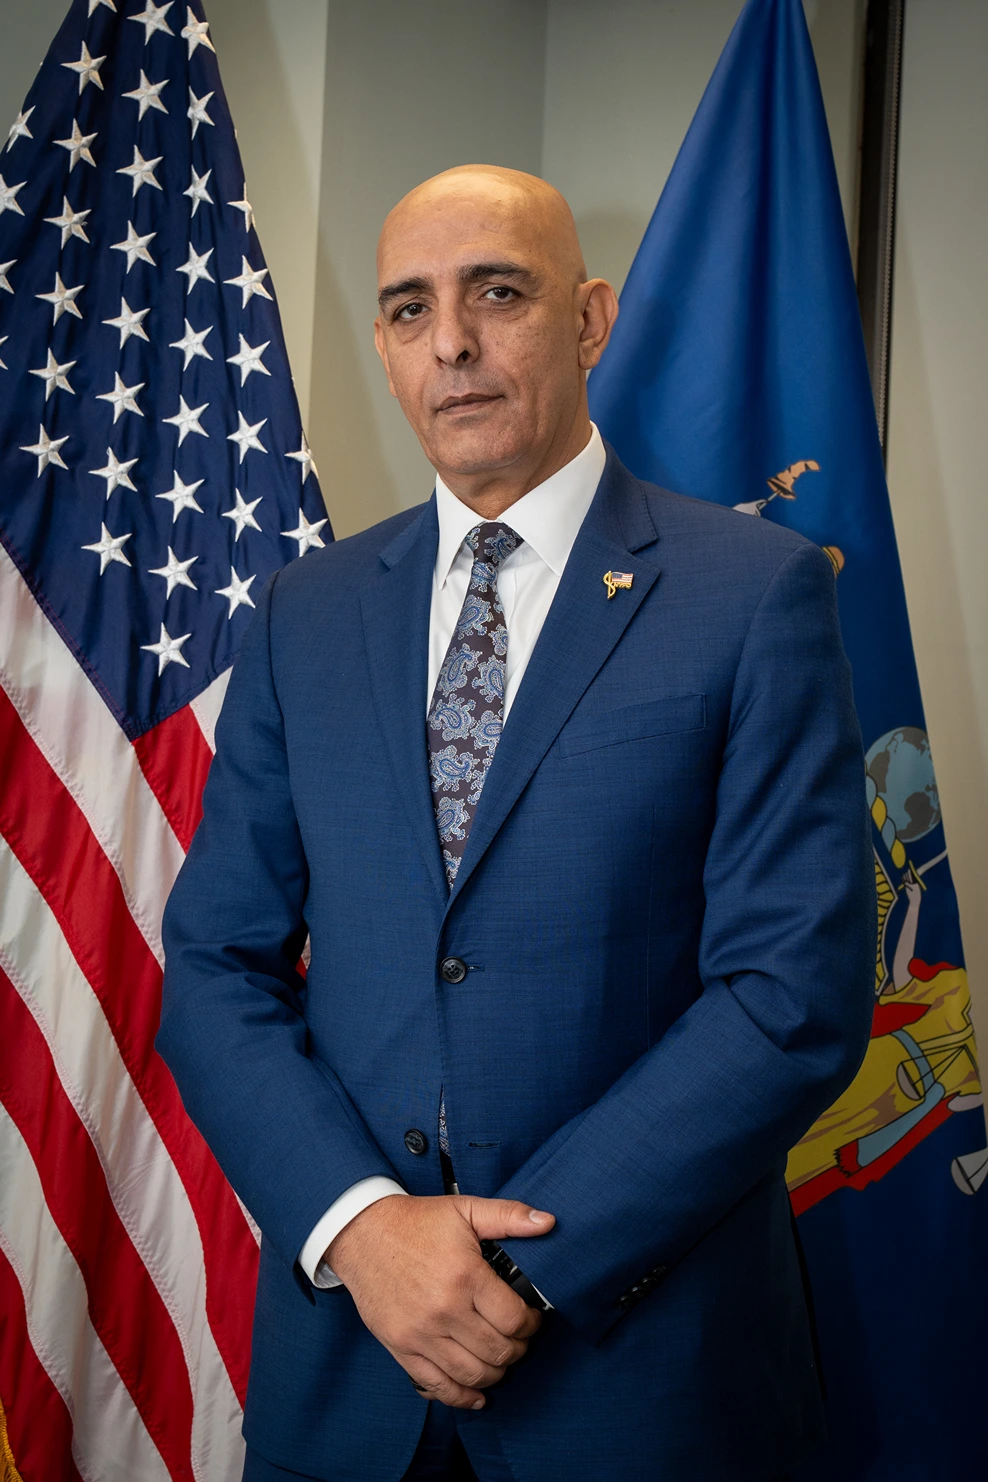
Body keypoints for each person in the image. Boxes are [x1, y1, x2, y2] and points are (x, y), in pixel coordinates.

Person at [158, 165, 875, 1482]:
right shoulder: (302, 614)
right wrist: (365, 1230)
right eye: (409, 308)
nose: (453, 344)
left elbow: (792, 995)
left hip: (648, 1392)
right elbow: (213, 970)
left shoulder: (752, 596)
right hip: (347, 1388)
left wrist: (507, 1271)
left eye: (499, 291)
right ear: (382, 343)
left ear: (591, 320)